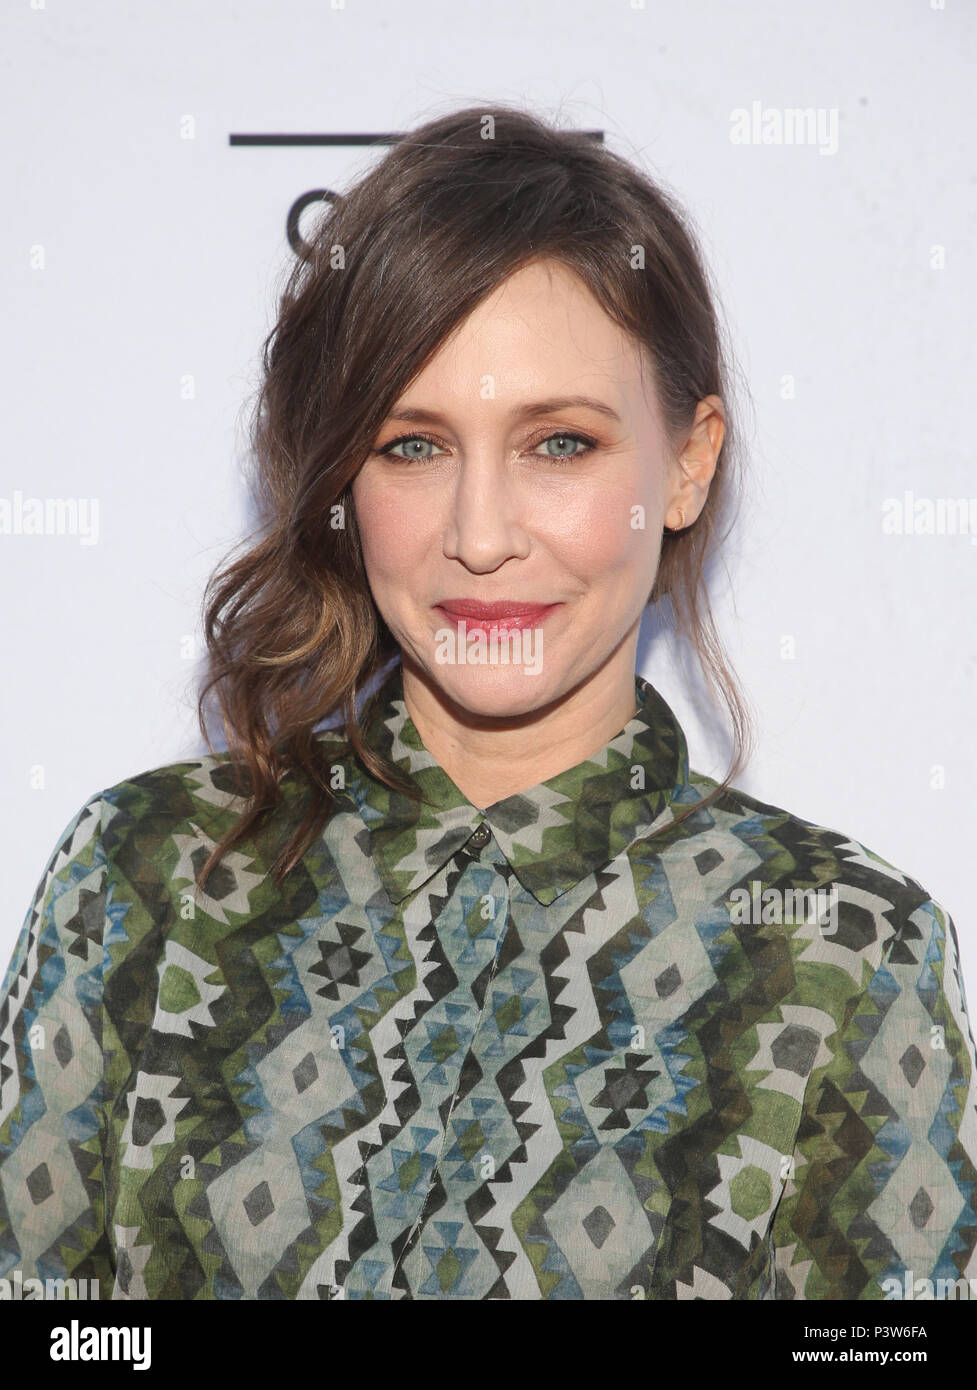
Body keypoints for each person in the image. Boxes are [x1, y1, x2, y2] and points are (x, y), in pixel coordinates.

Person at [1, 103, 974, 1303]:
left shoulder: (841, 947)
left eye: (558, 443)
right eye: (412, 446)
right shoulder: (143, 876)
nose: (478, 535)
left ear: (686, 461)